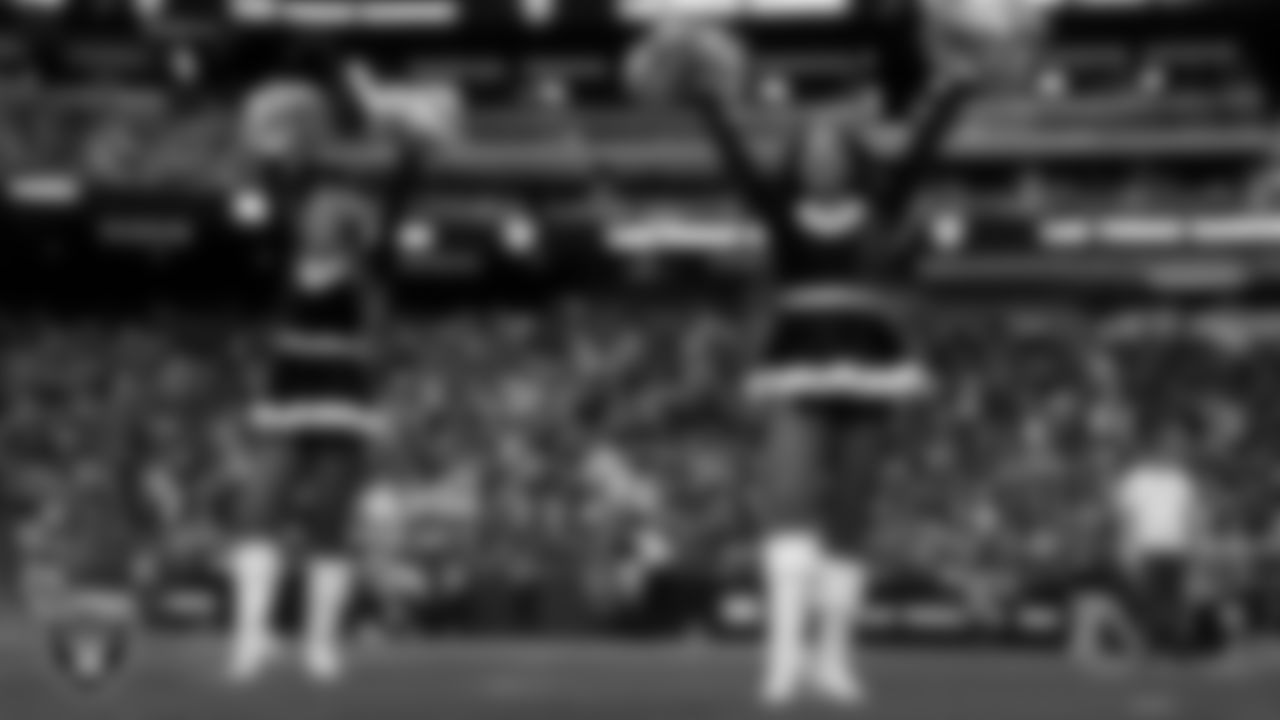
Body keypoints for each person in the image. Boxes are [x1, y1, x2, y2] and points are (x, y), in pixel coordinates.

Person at [627, 15, 983, 708]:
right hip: (796, 357)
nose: (822, 157)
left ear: (852, 158)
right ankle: (782, 658)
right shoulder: (778, 212)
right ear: (798, 161)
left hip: (871, 359)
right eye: (810, 148)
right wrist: (703, 97)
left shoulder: (885, 203)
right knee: (788, 502)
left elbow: (926, 148)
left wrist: (959, 86)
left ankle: (834, 658)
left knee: (851, 511)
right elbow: (731, 155)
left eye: (834, 148)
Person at [225, 56, 425, 684]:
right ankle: (251, 639)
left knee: (327, 523)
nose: (317, 212)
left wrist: (411, 142)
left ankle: (319, 645)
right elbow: (279, 179)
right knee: (258, 508)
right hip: (285, 395)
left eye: (332, 210)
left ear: (349, 227)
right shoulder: (289, 248)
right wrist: (274, 135)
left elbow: (400, 193)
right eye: (313, 208)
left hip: (342, 397)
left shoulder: (372, 264)